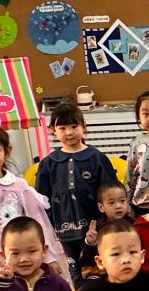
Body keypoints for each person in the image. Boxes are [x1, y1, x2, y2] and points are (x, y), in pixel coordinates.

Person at [0, 123, 68, 283]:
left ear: (7, 151)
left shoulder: (19, 187)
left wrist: (49, 258)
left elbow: (38, 222)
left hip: (19, 255)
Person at [35, 103, 116, 274]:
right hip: (62, 233)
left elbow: (111, 192)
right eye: (62, 128)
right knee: (73, 274)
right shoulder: (48, 164)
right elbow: (41, 200)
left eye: (74, 126)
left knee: (99, 270)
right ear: (53, 130)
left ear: (84, 126)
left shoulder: (97, 158)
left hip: (96, 230)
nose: (69, 132)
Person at [77, 181, 133, 283]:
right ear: (101, 207)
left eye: (122, 201)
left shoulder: (134, 225)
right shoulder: (97, 228)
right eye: (111, 203)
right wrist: (90, 243)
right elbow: (85, 260)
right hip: (102, 272)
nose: (118, 206)